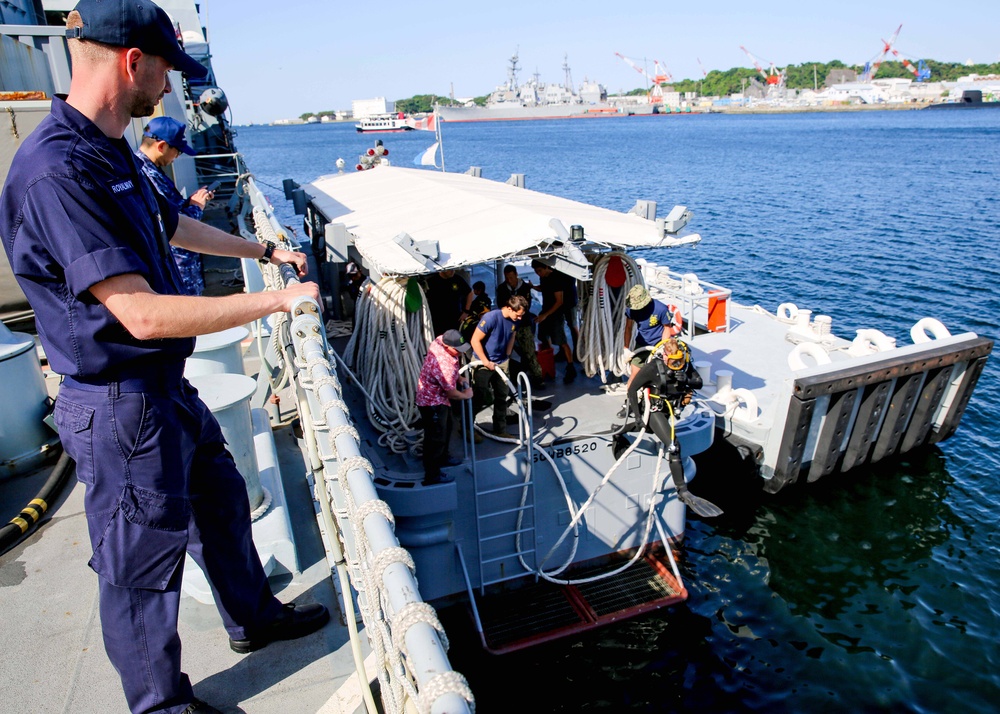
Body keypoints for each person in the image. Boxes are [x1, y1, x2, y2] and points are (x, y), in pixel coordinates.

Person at [0, 2, 328, 712]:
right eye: (167, 70)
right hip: (119, 402)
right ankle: (161, 704)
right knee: (141, 571)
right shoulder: (57, 171)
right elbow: (141, 314)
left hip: (160, 389)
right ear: (133, 61)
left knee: (220, 496)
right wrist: (277, 301)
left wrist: (263, 252)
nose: (171, 87)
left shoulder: (109, 141)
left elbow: (169, 224)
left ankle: (253, 618)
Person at [624, 338, 721, 517]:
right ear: (665, 357)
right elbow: (632, 390)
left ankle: (624, 432)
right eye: (673, 362)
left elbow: (698, 382)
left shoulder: (684, 366)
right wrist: (637, 415)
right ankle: (682, 490)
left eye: (679, 361)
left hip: (672, 409)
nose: (676, 365)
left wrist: (687, 380)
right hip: (655, 410)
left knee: (654, 432)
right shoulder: (653, 368)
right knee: (673, 445)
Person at [135, 115, 214, 295]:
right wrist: (197, 206)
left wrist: (190, 201)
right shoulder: (148, 176)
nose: (177, 156)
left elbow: (169, 209)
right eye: (178, 151)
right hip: (178, 268)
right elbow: (173, 224)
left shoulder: (146, 170)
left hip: (178, 266)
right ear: (162, 146)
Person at [415, 329, 474, 485]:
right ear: (448, 347)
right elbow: (452, 394)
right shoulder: (444, 365)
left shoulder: (440, 340)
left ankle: (443, 457)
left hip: (437, 398)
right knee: (435, 438)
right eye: (457, 350)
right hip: (432, 403)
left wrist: (459, 378)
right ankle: (432, 475)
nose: (460, 354)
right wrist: (466, 395)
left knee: (448, 427)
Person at [620, 284, 684, 416]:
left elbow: (667, 328)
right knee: (634, 376)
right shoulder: (631, 310)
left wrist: (663, 348)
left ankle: (663, 404)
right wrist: (626, 348)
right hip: (641, 345)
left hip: (658, 346)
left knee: (662, 376)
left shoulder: (660, 309)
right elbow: (628, 328)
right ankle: (629, 403)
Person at [470, 295, 529, 435]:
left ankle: (500, 429)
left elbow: (512, 334)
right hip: (483, 363)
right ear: (509, 308)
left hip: (502, 362)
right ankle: (467, 428)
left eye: (522, 316)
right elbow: (475, 340)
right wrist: (485, 362)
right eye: (518, 315)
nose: (520, 318)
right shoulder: (490, 318)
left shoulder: (516, 320)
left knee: (502, 396)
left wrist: (507, 355)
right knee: (478, 397)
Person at [495, 264, 543, 389]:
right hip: (508, 325)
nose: (509, 280)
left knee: (529, 351)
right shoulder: (501, 289)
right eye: (507, 278)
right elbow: (501, 305)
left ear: (516, 275)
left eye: (511, 277)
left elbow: (526, 306)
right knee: (506, 353)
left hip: (524, 324)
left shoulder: (525, 287)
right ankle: (509, 381)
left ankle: (537, 377)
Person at [531, 259, 576, 383]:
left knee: (561, 341)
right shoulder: (544, 278)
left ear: (546, 268)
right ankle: (547, 362)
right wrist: (533, 287)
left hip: (556, 314)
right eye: (536, 272)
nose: (538, 273)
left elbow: (559, 301)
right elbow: (544, 289)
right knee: (542, 336)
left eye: (540, 271)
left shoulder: (556, 279)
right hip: (546, 312)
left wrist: (545, 315)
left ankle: (570, 367)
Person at [423, 268, 471, 336]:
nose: (453, 271)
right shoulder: (431, 282)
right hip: (438, 321)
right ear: (442, 269)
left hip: (455, 319)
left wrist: (466, 311)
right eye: (450, 269)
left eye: (454, 269)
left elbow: (469, 293)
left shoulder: (457, 279)